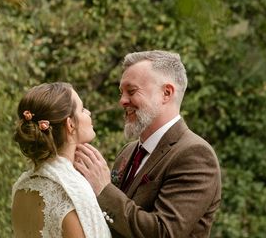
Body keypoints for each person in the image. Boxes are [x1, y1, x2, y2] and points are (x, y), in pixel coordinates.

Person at [74, 50, 221, 237]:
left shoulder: (195, 154)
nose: (122, 101)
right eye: (121, 93)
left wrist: (104, 190)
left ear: (166, 93)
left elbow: (163, 233)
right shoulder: (127, 152)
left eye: (131, 91)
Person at [12, 82, 111, 238]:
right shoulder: (72, 191)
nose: (89, 113)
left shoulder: (22, 186)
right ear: (70, 124)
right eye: (82, 109)